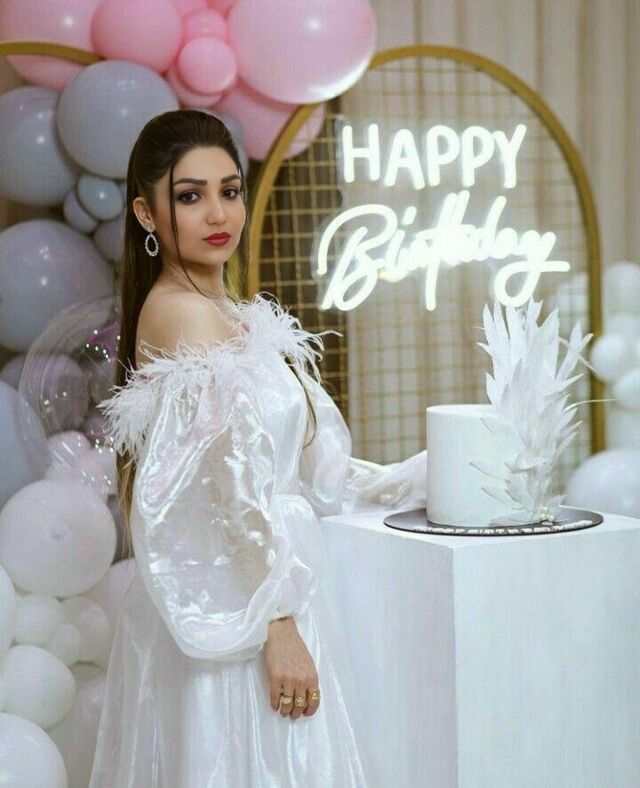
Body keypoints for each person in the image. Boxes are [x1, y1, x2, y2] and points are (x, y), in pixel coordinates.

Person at [89, 109, 426, 787]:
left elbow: (296, 464)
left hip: (275, 575)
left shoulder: (235, 317)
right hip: (241, 601)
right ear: (147, 214)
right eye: (191, 196)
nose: (218, 213)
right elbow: (225, 487)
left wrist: (410, 479)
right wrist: (276, 624)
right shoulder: (183, 314)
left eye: (229, 190)